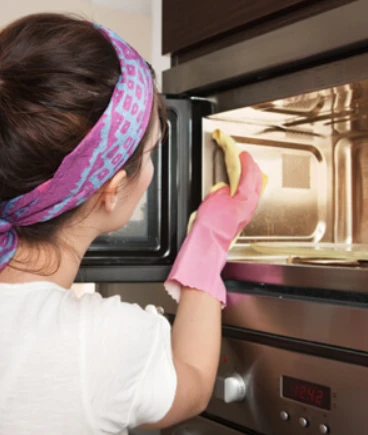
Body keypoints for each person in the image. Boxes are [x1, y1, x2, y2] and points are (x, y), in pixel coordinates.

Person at [0, 13, 263, 435]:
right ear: (112, 189)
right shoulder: (99, 344)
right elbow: (193, 383)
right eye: (153, 150)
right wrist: (208, 243)